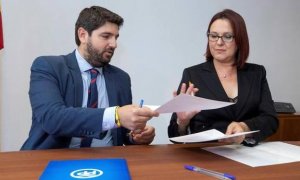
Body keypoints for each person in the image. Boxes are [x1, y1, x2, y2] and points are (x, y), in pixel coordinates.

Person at [21, 6, 159, 150]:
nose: (114, 44)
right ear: (83, 35)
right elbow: (52, 118)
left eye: (116, 37)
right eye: (106, 36)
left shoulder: (121, 78)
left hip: (108, 159)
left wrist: (136, 136)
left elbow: (122, 133)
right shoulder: (48, 67)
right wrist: (116, 115)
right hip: (54, 159)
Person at [168, 9, 278, 146]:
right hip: (207, 154)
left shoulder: (257, 73)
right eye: (213, 36)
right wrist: (182, 123)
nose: (219, 42)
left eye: (227, 36)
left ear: (240, 40)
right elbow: (173, 136)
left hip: (247, 153)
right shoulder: (193, 74)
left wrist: (245, 127)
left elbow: (270, 120)